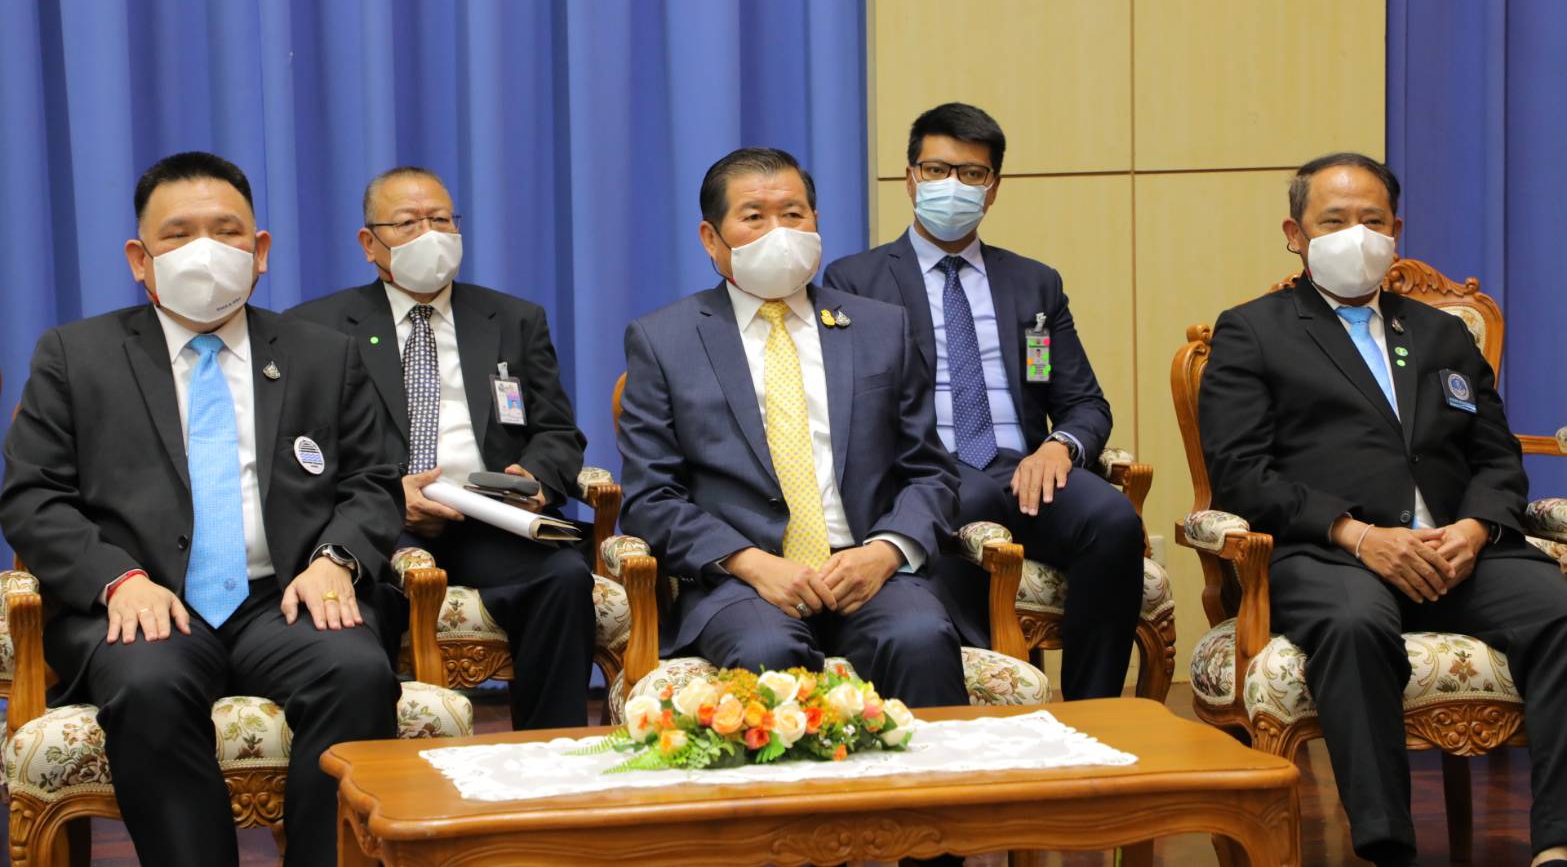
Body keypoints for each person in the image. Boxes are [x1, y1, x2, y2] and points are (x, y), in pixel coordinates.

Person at [0, 152, 402, 867]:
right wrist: (116, 579)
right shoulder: (75, 355)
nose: (206, 250)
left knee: (357, 673)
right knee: (148, 685)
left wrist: (335, 559)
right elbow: (32, 495)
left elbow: (372, 480)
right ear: (140, 259)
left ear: (261, 250)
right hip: (141, 601)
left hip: (283, 597)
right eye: (179, 234)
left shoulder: (323, 355)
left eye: (227, 231)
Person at [1199, 152, 1567, 867]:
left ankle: (1557, 839)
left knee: (1557, 610)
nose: (1356, 236)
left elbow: (1497, 457)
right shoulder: (1252, 331)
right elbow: (1240, 473)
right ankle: (1386, 846)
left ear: (1396, 231)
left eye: (1372, 220)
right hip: (1330, 552)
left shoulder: (1441, 334)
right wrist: (1357, 534)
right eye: (1333, 221)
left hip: (1459, 551)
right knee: (1352, 625)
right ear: (1294, 234)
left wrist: (1474, 528)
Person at [617, 146, 966, 707]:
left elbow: (930, 472)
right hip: (743, 583)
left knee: (920, 638)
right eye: (754, 216)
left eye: (793, 214)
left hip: (867, 568)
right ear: (711, 238)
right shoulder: (665, 341)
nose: (778, 231)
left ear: (816, 222)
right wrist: (751, 564)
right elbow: (650, 497)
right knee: (767, 651)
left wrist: (885, 553)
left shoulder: (880, 328)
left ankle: (936, 772)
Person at [823, 102, 1142, 699]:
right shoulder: (855, 282)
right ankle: (969, 700)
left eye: (971, 174)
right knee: (963, 501)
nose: (953, 185)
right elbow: (850, 409)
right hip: (926, 471)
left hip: (1022, 471)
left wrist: (1058, 446)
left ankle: (1093, 710)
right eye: (937, 170)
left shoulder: (1033, 284)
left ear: (992, 188)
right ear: (910, 178)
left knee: (1113, 520)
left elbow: (1083, 401)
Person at [289, 167, 593, 730]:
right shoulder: (318, 328)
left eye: (441, 220)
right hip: (377, 524)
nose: (429, 234)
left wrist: (534, 478)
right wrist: (389, 499)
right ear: (369, 244)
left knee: (564, 577)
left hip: (489, 517)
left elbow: (558, 431)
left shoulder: (513, 319)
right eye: (407, 223)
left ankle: (553, 750)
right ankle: (381, 754)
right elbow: (304, 451)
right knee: (365, 601)